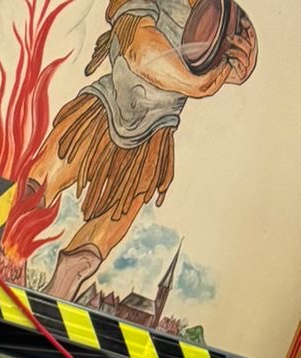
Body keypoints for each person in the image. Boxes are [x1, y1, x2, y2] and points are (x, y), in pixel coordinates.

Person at [22, 0, 257, 303]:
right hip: (102, 111)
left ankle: (43, 315)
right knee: (33, 190)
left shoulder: (222, 14)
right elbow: (140, 50)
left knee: (91, 250)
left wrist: (235, 68)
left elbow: (224, 62)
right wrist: (199, 85)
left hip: (151, 142)